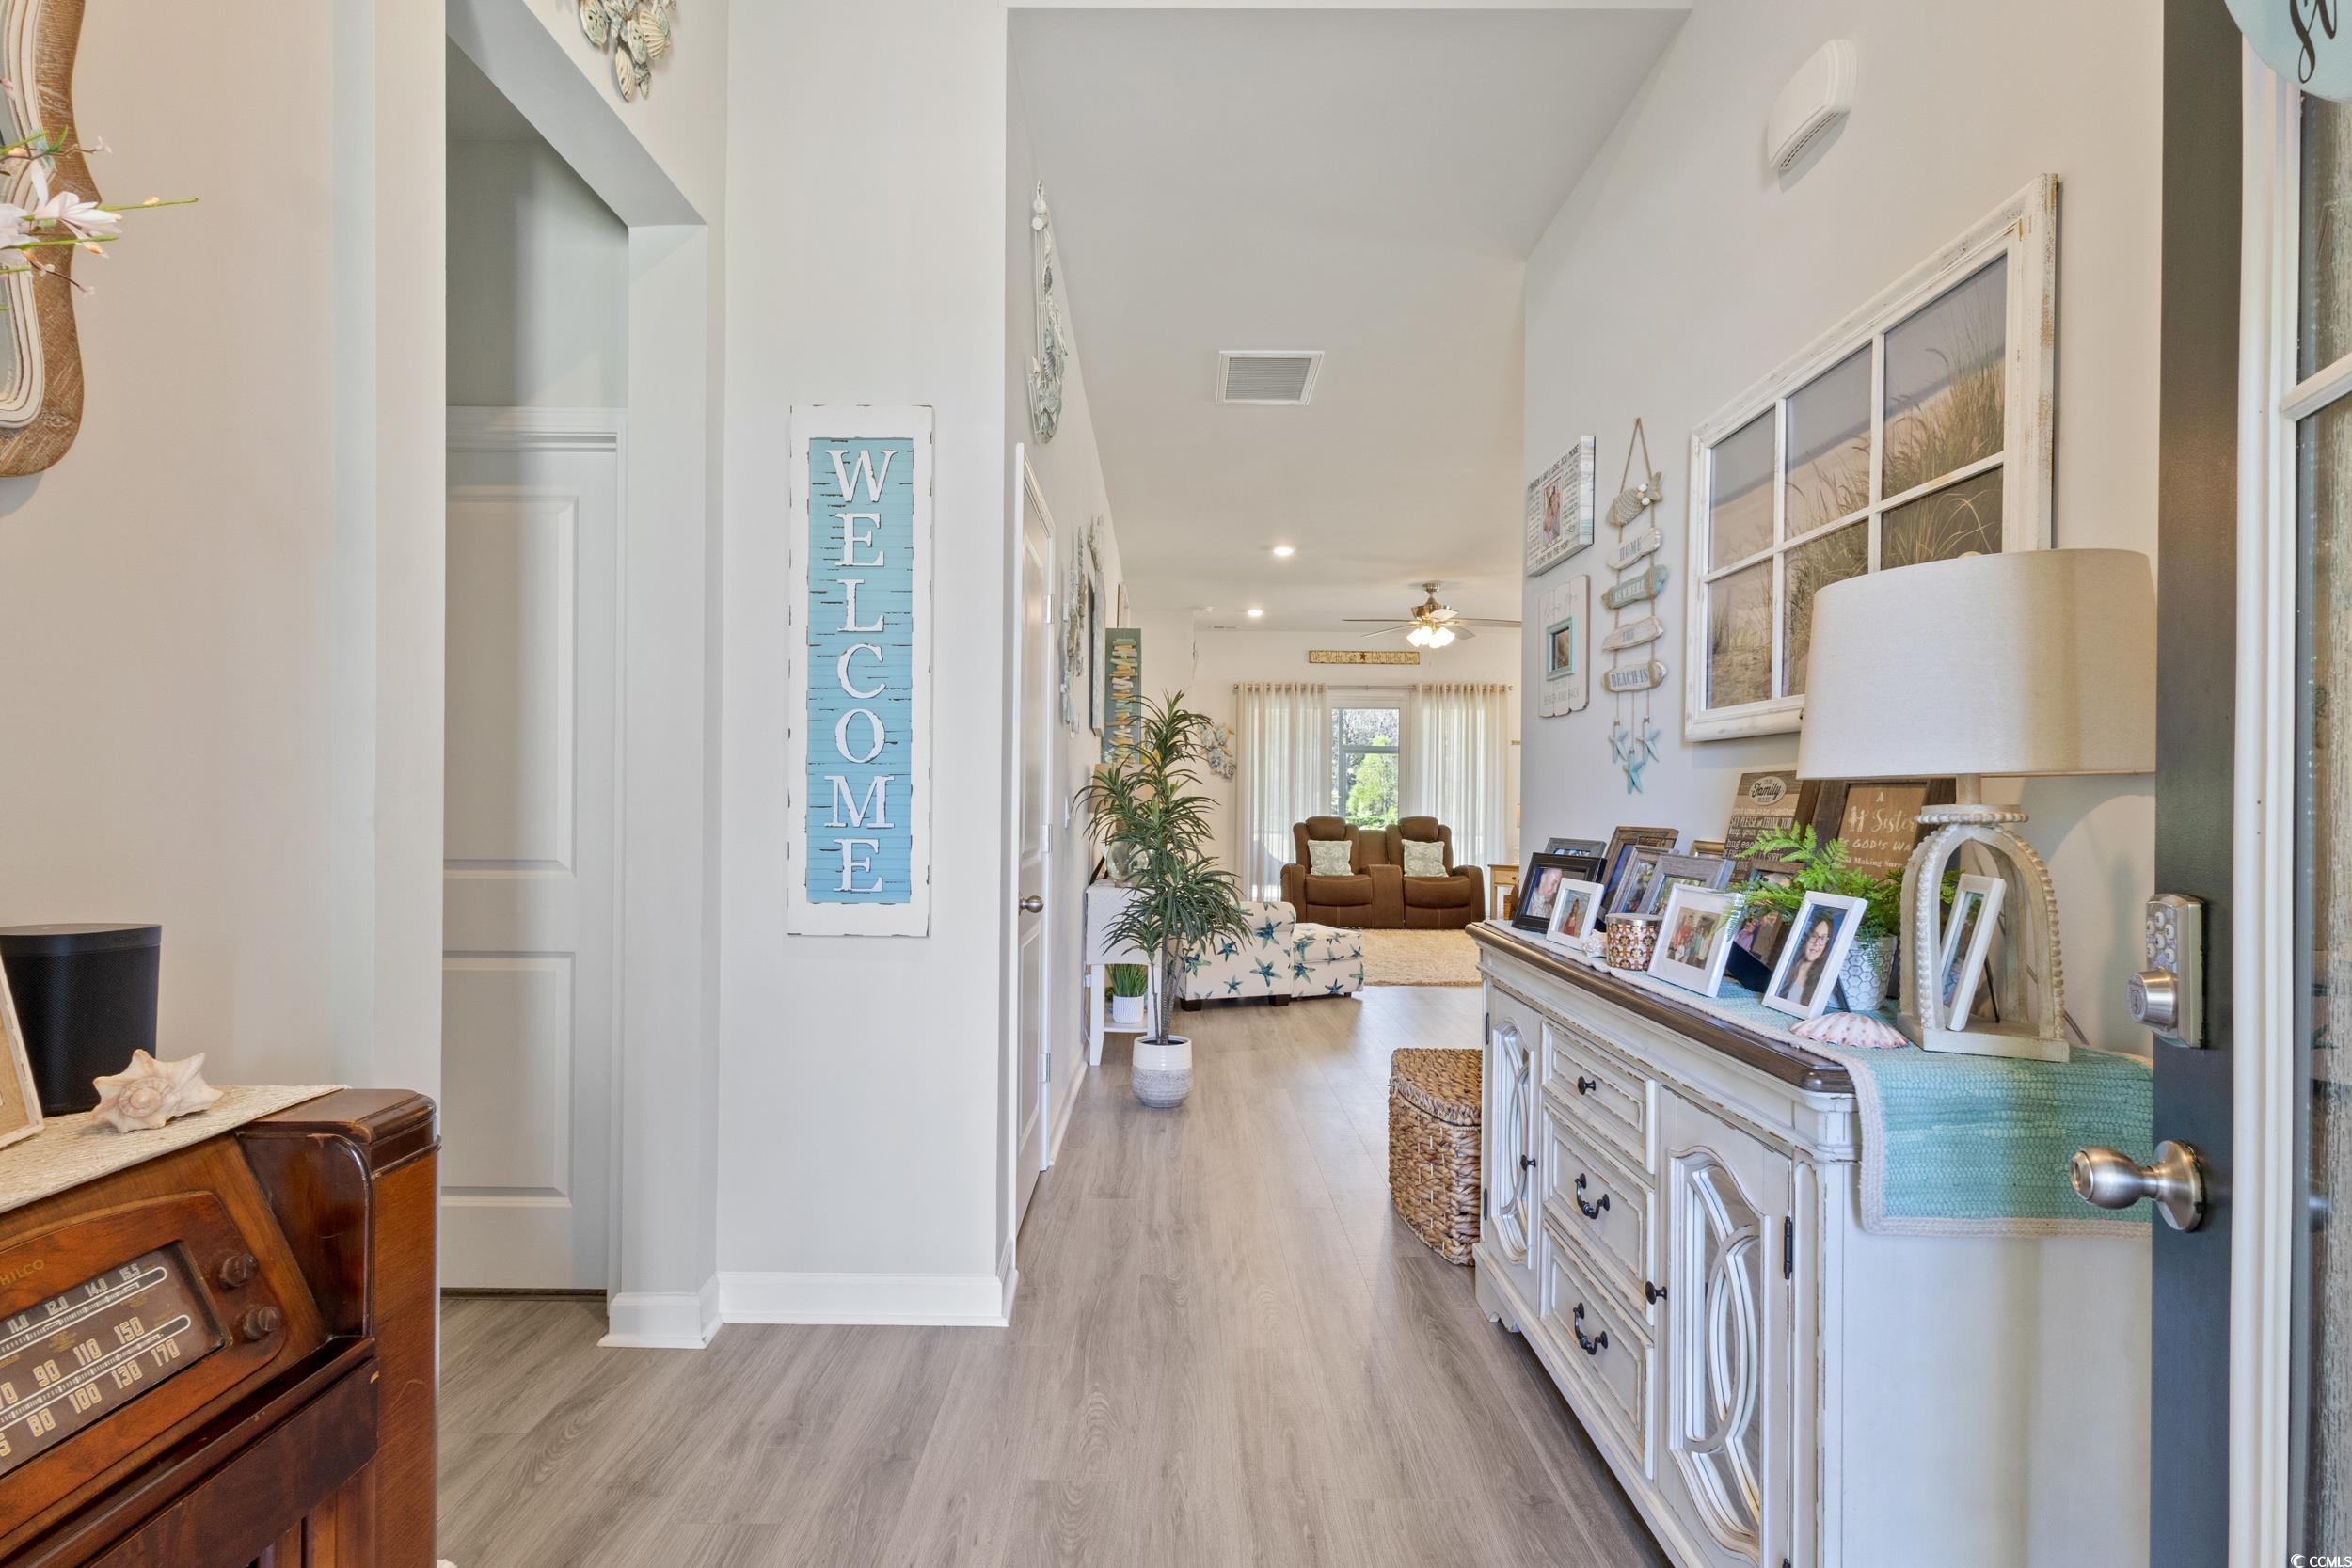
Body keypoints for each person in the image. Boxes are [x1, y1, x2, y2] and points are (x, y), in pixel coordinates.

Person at [1777, 911, 1838, 1006]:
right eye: (1814, 935)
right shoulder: (1787, 966)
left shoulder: (1823, 979)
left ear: (1827, 944)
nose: (1817, 943)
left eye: (1823, 938)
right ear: (1807, 938)